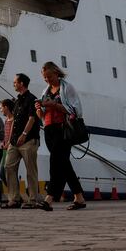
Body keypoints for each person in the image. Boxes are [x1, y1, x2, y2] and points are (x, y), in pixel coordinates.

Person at [35, 62, 87, 210]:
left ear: (56, 73)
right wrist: (39, 109)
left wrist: (54, 105)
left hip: (63, 129)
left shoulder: (67, 88)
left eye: (49, 76)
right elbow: (42, 115)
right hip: (49, 129)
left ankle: (49, 198)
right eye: (45, 77)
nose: (47, 80)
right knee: (64, 165)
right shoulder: (46, 91)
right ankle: (79, 198)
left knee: (55, 163)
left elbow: (74, 109)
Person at [3, 73, 40, 209]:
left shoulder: (32, 99)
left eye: (15, 82)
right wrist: (10, 139)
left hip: (28, 139)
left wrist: (24, 134)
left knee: (31, 170)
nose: (13, 84)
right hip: (14, 141)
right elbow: (13, 120)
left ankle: (33, 199)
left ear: (22, 83)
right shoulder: (17, 101)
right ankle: (14, 199)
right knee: (9, 166)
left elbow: (32, 118)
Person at [0, 98, 15, 188]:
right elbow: (6, 134)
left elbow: (12, 134)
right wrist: (3, 143)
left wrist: (8, 143)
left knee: (5, 172)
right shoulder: (6, 120)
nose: (0, 110)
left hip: (11, 148)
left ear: (6, 107)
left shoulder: (13, 120)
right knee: (3, 173)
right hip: (5, 148)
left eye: (1, 108)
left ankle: (14, 194)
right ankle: (13, 193)